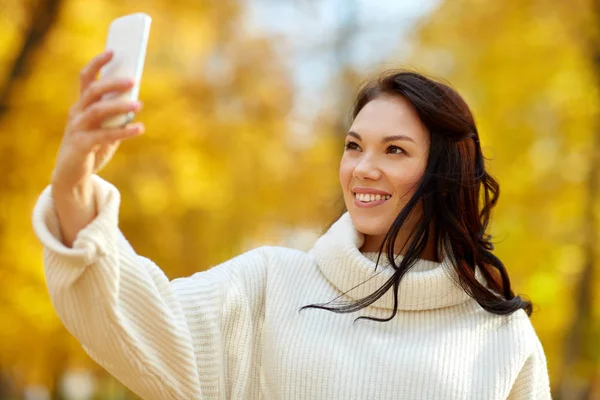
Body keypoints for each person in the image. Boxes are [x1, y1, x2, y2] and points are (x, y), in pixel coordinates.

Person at [32, 50, 552, 400]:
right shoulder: (271, 284)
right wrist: (73, 185)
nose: (362, 168)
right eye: (354, 146)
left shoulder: (500, 334)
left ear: (443, 171)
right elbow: (149, 320)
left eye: (394, 150)